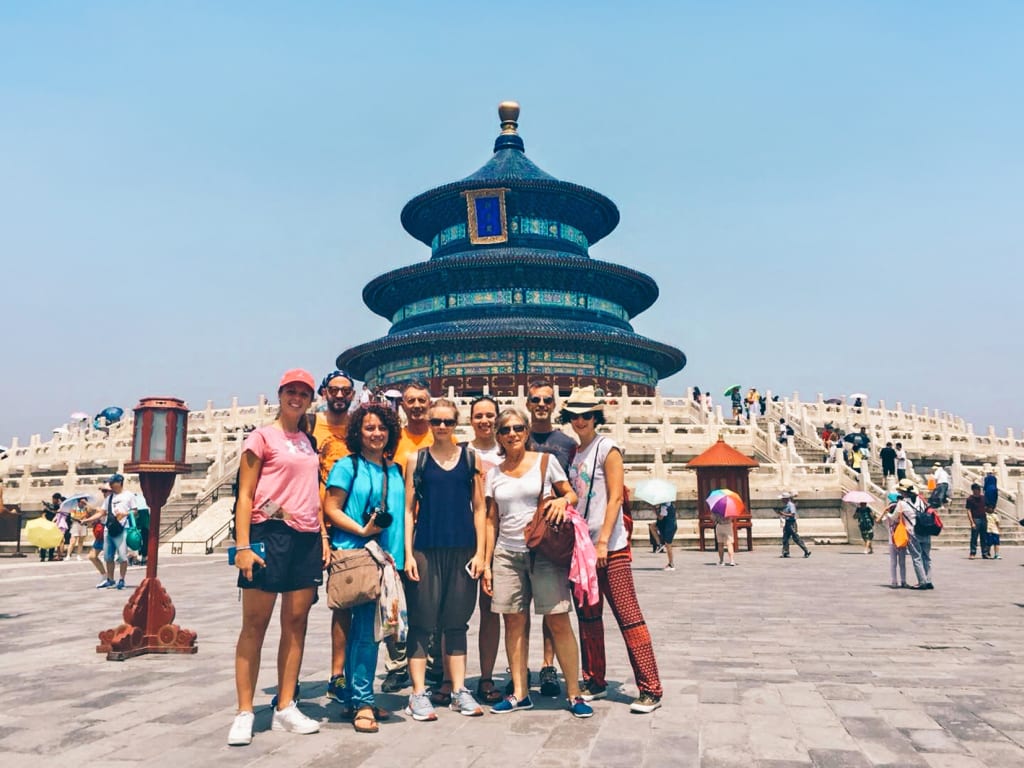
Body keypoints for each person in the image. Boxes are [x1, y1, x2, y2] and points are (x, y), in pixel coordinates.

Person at [228, 369, 324, 747]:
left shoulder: (307, 440)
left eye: (303, 393)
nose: (296, 397)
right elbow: (246, 495)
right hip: (268, 535)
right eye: (291, 391)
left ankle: (285, 704)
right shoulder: (261, 437)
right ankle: (245, 711)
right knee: (255, 624)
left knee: (296, 622)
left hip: (305, 537)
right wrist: (243, 546)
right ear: (280, 394)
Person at [483, 408, 592, 718]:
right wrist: (488, 562)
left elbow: (570, 494)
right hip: (507, 553)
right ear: (499, 436)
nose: (512, 433)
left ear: (527, 431)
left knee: (558, 620)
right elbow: (492, 520)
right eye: (505, 430)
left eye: (518, 427)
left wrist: (561, 500)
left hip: (544, 551)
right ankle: (519, 692)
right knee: (513, 622)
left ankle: (574, 693)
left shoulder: (546, 462)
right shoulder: (493, 474)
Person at [562, 387, 664, 713]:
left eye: (586, 414)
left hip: (611, 548)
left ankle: (651, 688)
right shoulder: (574, 454)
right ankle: (595, 680)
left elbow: (616, 497)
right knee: (588, 618)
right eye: (574, 415)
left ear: (596, 416)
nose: (580, 420)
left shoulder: (608, 448)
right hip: (582, 549)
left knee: (628, 617)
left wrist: (604, 540)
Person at [323, 403, 406, 734]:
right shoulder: (347, 466)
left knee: (378, 631)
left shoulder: (395, 470)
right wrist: (361, 530)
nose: (376, 433)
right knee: (365, 634)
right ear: (358, 432)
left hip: (389, 561)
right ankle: (361, 702)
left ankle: (359, 696)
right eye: (369, 428)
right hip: (359, 556)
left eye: (382, 428)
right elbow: (330, 508)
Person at [402, 399, 487, 720]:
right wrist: (408, 553)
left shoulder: (470, 458)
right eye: (435, 421)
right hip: (426, 548)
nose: (440, 427)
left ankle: (458, 690)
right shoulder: (417, 460)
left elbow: (479, 508)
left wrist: (480, 553)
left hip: (463, 549)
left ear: (456, 424)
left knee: (456, 623)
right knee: (422, 623)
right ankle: (418, 693)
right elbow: (409, 510)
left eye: (447, 422)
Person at [380, 380, 436, 694]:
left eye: (421, 400)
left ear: (431, 403)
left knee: (428, 600)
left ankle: (428, 662)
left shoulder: (441, 434)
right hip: (396, 532)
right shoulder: (393, 441)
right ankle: (396, 665)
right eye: (410, 400)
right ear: (402, 404)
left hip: (429, 531)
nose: (416, 405)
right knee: (393, 599)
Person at [524, 379, 578, 698]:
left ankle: (548, 666)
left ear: (555, 404)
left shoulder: (566, 443)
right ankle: (518, 670)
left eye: (547, 400)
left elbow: (572, 486)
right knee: (517, 609)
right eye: (536, 399)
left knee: (552, 608)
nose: (542, 404)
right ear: (527, 403)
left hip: (552, 532)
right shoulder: (516, 436)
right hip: (518, 531)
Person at [311, 369, 356, 707]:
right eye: (334, 390)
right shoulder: (309, 426)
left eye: (346, 390)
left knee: (356, 601)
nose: (340, 395)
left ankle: (350, 674)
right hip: (316, 527)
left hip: (356, 526)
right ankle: (332, 675)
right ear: (324, 392)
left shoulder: (360, 426)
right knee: (303, 605)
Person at [467, 395, 505, 705]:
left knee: (492, 611)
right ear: (470, 420)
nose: (484, 421)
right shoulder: (460, 453)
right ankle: (445, 676)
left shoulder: (510, 452)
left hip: (501, 540)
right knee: (451, 611)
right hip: (463, 539)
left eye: (490, 415)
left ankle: (487, 676)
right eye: (478, 415)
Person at [98, 475, 137, 589]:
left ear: (119, 482)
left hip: (122, 528)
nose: (110, 485)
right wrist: (88, 519)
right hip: (109, 528)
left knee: (122, 556)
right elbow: (102, 512)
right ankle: (110, 579)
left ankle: (121, 579)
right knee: (108, 556)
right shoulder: (109, 498)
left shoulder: (129, 495)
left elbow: (135, 511)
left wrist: (125, 514)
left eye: (112, 482)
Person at [894, 478, 932, 589]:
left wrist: (886, 515)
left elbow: (894, 517)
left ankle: (922, 581)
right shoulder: (921, 500)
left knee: (917, 557)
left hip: (912, 532)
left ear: (903, 491)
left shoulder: (901, 503)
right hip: (925, 530)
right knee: (926, 556)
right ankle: (928, 580)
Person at [776, 492, 810, 558]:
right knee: (785, 538)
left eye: (782, 499)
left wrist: (783, 514)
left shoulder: (791, 505)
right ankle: (786, 552)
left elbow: (792, 514)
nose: (781, 500)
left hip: (791, 523)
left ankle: (806, 551)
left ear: (786, 499)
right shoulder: (786, 505)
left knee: (796, 538)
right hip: (787, 523)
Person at [649, 501, 677, 571]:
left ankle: (671, 564)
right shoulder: (668, 504)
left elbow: (660, 518)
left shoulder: (664, 506)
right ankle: (660, 544)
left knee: (668, 545)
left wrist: (654, 510)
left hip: (669, 527)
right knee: (652, 526)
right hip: (666, 525)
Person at [966, 483, 989, 559]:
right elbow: (968, 510)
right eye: (976, 490)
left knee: (984, 537)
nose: (978, 491)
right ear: (973, 490)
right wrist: (972, 522)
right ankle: (972, 552)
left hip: (983, 518)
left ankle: (984, 553)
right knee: (974, 537)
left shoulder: (983, 498)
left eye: (979, 490)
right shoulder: (970, 499)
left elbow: (986, 507)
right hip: (975, 519)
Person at [40, 492, 64, 562]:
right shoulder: (48, 506)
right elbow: (43, 514)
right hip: (47, 525)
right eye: (53, 499)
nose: (53, 500)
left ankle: (50, 556)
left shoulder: (60, 507)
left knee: (52, 541)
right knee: (44, 541)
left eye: (54, 499)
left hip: (54, 525)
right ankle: (43, 556)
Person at [67, 497, 91, 561]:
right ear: (78, 502)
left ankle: (79, 555)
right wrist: (80, 518)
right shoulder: (74, 508)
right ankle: (68, 555)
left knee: (81, 541)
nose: (83, 504)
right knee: (73, 541)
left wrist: (87, 503)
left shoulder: (86, 509)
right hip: (76, 525)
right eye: (82, 502)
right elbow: (72, 517)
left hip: (83, 525)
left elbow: (90, 511)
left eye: (84, 502)